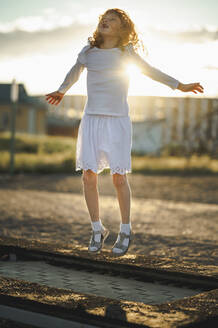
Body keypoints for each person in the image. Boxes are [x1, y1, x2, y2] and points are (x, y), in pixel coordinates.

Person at [45, 8, 204, 257]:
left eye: (112, 20)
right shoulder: (88, 52)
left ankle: (126, 229)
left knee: (119, 177)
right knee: (88, 175)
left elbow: (150, 71)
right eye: (103, 20)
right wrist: (62, 90)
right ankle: (97, 229)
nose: (105, 22)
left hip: (117, 121)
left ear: (122, 28)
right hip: (92, 120)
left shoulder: (126, 53)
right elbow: (75, 71)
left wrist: (179, 85)